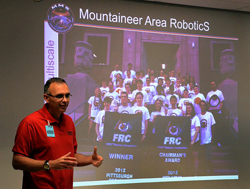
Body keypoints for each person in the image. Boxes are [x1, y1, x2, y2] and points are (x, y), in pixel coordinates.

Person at [12, 78, 103, 189]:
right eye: (59, 96)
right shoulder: (30, 123)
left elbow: (71, 156)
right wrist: (49, 165)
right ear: (47, 98)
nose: (65, 100)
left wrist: (90, 159)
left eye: (67, 95)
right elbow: (17, 161)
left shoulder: (69, 121)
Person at [197, 100, 216, 175]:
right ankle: (204, 172)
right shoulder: (198, 115)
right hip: (201, 140)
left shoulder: (209, 114)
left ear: (206, 106)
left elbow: (213, 126)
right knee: (202, 158)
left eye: (204, 105)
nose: (203, 107)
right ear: (200, 106)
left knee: (208, 157)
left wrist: (213, 138)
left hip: (208, 139)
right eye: (201, 105)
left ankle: (212, 171)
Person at [186, 103, 200, 176]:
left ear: (192, 109)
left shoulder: (196, 118)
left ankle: (195, 174)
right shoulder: (185, 117)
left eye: (190, 108)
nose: (188, 109)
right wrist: (186, 118)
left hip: (194, 141)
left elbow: (197, 130)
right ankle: (188, 174)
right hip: (186, 141)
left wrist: (193, 141)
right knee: (187, 158)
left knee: (195, 157)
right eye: (187, 108)